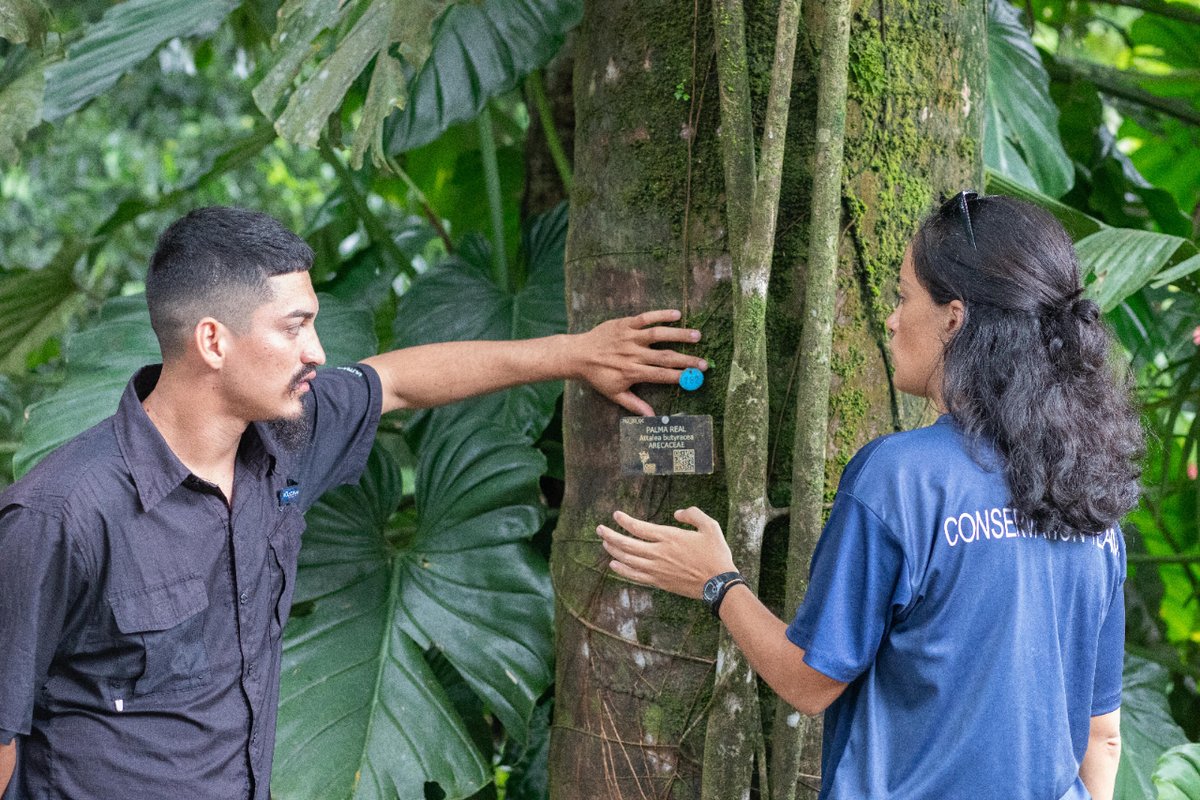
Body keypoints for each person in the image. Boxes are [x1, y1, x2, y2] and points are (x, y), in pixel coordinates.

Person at [0, 206, 707, 799]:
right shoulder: (62, 514)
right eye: (293, 326)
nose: (316, 349)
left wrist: (573, 353)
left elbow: (393, 381)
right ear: (213, 341)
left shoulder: (286, 437)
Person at [598, 193, 1143, 800]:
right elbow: (1103, 736)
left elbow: (811, 682)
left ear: (953, 318)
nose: (891, 319)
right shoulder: (1089, 500)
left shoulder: (900, 478)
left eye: (904, 297)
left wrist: (718, 581)